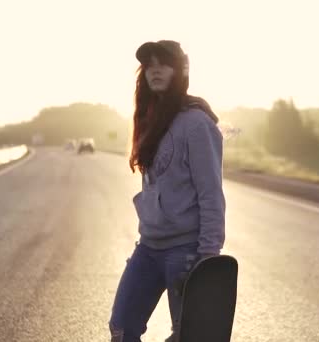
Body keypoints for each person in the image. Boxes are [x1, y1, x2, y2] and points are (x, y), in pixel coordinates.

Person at [108, 40, 226, 342]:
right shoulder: (150, 120)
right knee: (121, 328)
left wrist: (208, 257)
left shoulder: (197, 123)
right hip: (148, 247)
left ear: (180, 71)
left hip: (184, 251)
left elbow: (211, 194)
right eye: (149, 64)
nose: (155, 69)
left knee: (188, 336)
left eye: (164, 63)